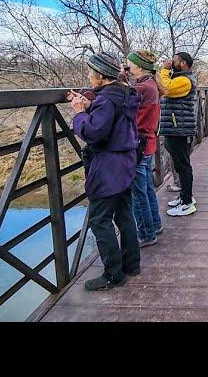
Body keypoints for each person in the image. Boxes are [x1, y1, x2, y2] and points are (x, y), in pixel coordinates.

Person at [67, 51, 140, 291]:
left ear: (100, 75)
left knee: (99, 220)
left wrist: (79, 114)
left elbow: (95, 132)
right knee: (124, 213)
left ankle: (113, 274)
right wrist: (91, 104)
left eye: (90, 72)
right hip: (125, 161)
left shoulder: (108, 99)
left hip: (109, 166)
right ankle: (131, 264)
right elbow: (112, 116)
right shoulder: (124, 93)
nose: (88, 75)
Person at [125, 49, 163, 247]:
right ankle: (155, 224)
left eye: (130, 63)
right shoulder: (150, 84)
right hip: (147, 143)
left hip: (138, 144)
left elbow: (120, 102)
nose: (127, 66)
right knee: (147, 188)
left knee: (138, 193)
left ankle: (147, 234)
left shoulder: (142, 88)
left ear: (138, 66)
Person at [156, 52, 198, 216]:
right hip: (175, 127)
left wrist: (164, 71)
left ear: (183, 63)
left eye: (174, 61)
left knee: (183, 166)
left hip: (180, 129)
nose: (171, 63)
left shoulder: (185, 80)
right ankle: (185, 197)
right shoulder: (178, 78)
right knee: (180, 166)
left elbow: (166, 88)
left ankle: (188, 203)